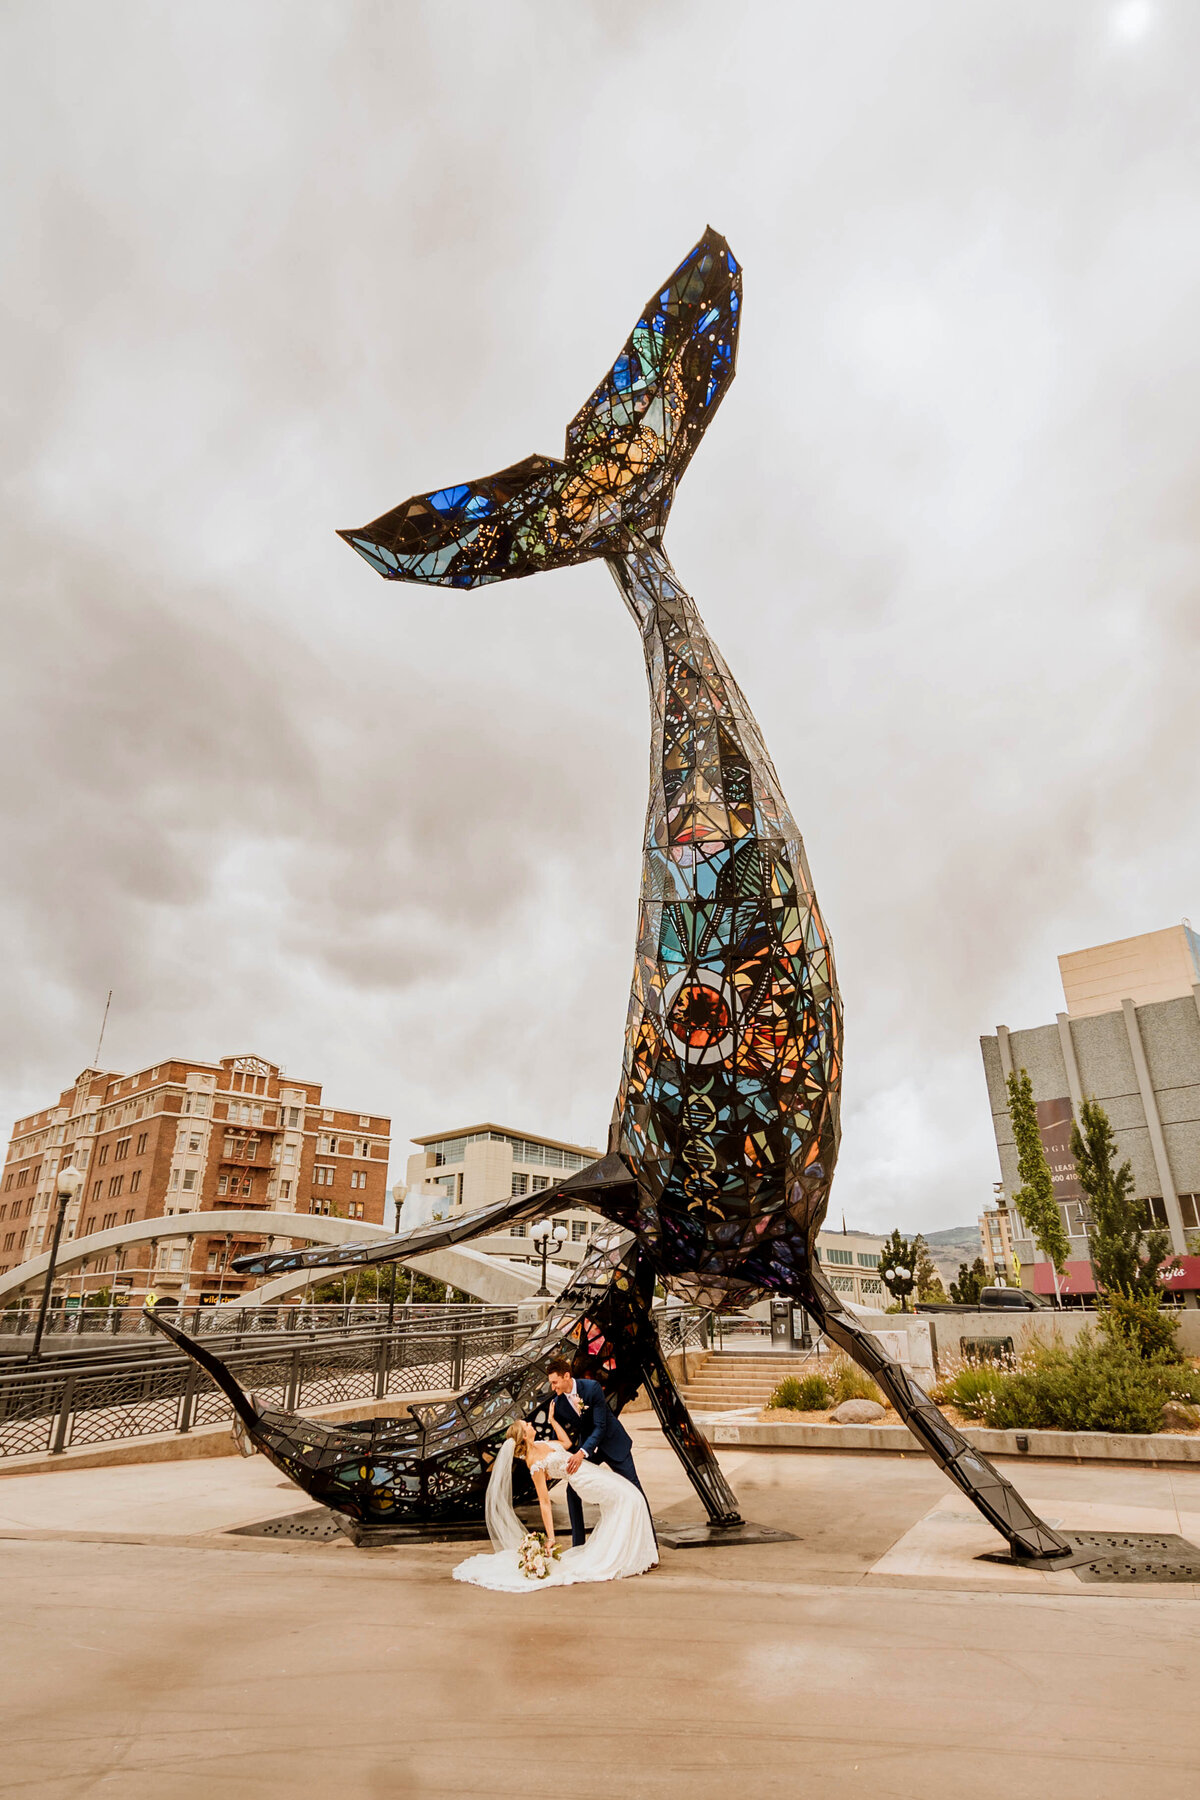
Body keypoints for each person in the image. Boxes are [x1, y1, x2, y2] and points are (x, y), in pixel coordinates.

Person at [452, 1419, 658, 1593]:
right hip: (582, 1480)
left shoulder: (542, 1443)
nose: (531, 1424)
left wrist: (552, 1421)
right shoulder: (534, 1464)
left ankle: (627, 1551)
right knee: (630, 1498)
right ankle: (623, 1555)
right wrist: (551, 1537)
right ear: (524, 1435)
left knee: (631, 1497)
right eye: (527, 1425)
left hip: (588, 1470)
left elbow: (566, 1443)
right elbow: (544, 1502)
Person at [546, 1355, 647, 1547]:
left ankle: (649, 1546)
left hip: (612, 1443)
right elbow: (559, 1440)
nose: (553, 1388)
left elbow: (600, 1426)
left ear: (566, 1376)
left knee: (635, 1490)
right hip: (590, 1450)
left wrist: (581, 1452)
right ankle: (578, 1546)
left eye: (555, 1382)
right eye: (551, 1384)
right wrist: (550, 1465)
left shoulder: (591, 1388)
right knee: (572, 1490)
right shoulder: (558, 1404)